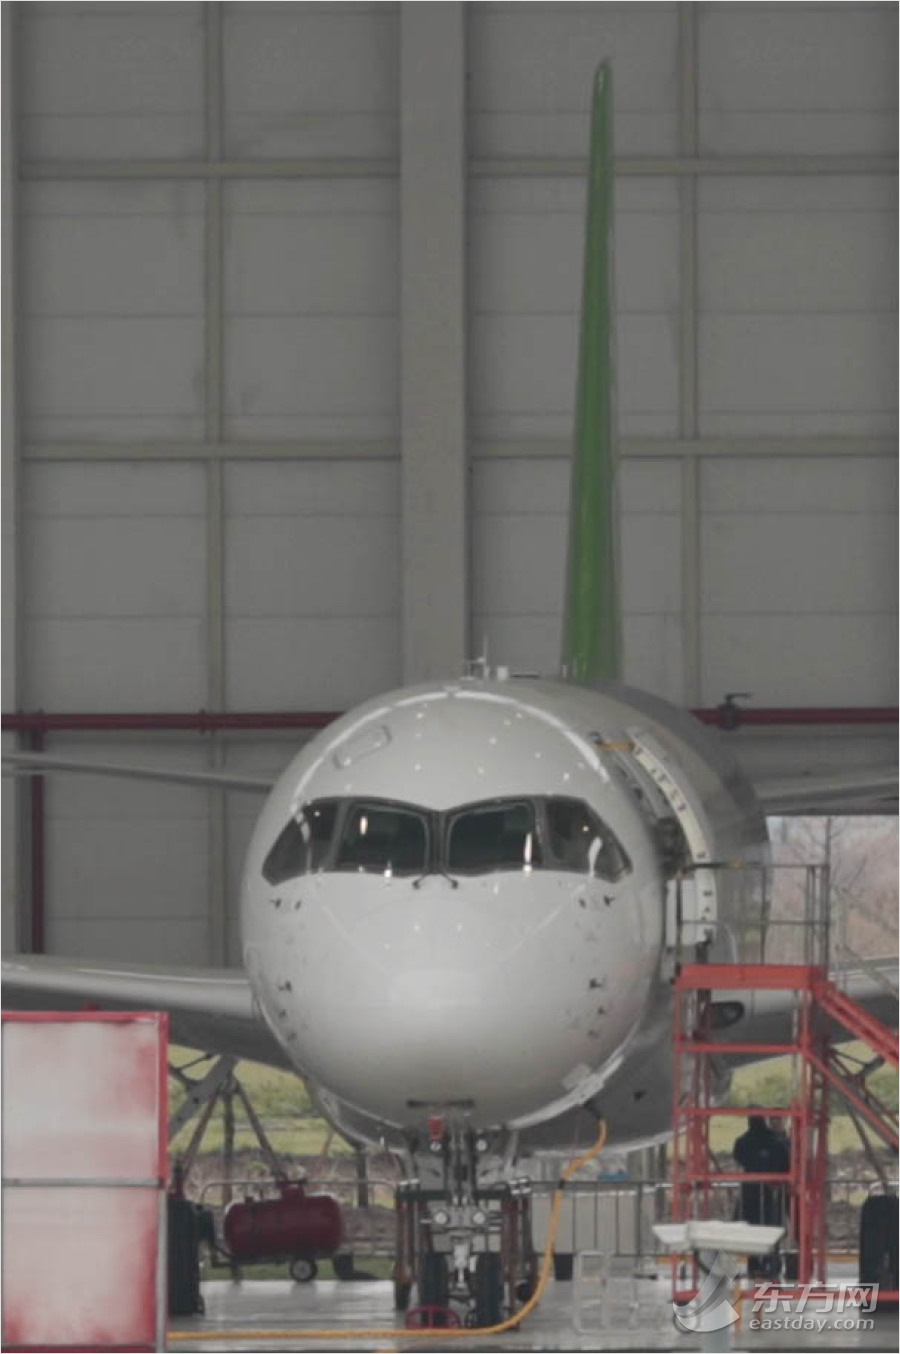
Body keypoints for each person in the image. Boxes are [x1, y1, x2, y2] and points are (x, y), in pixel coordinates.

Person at [733, 1115, 791, 1278]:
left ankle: (754, 1264)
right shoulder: (776, 1142)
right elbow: (786, 1161)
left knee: (751, 1228)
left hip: (749, 1190)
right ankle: (772, 1264)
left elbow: (739, 1158)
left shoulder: (743, 1142)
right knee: (772, 1226)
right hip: (772, 1190)